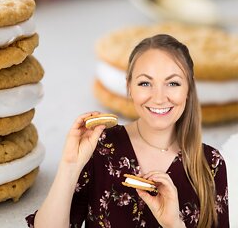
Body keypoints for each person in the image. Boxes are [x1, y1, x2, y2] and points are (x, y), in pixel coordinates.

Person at [26, 34, 229, 228]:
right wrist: (69, 165)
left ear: (189, 90)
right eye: (145, 83)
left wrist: (173, 224)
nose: (159, 97)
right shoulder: (101, 145)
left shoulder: (210, 164)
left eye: (173, 83)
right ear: (129, 87)